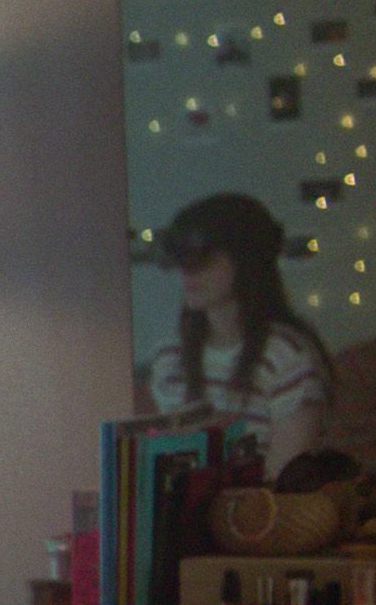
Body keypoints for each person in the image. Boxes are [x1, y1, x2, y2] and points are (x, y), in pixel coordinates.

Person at [141, 192, 335, 469]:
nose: (187, 272)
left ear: (245, 260)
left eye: (201, 257)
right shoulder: (171, 359)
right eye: (181, 258)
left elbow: (285, 483)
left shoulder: (286, 359)